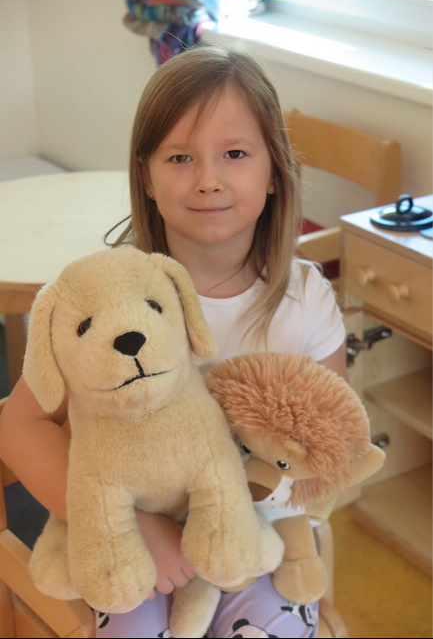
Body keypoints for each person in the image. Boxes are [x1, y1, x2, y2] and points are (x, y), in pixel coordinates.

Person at [0, 45, 348, 638]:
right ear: (147, 176)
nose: (208, 180)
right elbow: (20, 424)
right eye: (180, 157)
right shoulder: (107, 294)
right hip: (133, 536)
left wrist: (249, 525)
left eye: (234, 154)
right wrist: (131, 527)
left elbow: (329, 447)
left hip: (259, 540)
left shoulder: (308, 299)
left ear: (273, 170)